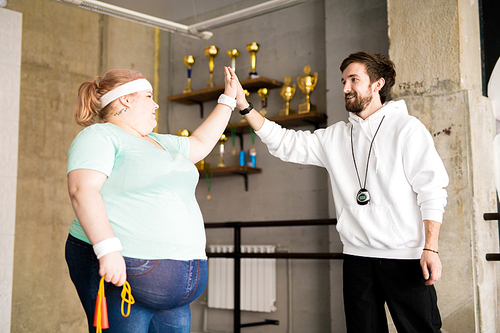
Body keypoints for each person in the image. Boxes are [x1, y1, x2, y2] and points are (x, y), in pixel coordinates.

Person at [234, 51, 448, 332]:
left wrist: (430, 247)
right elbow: (285, 142)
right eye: (343, 80)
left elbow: (431, 189)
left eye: (354, 79)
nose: (346, 88)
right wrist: (245, 107)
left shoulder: (407, 129)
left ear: (378, 84)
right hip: (357, 259)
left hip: (405, 257)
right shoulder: (335, 136)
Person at [65, 66, 240, 333]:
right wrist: (107, 250)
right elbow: (83, 190)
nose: (155, 103)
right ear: (125, 99)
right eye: (148, 96)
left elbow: (201, 144)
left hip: (177, 289)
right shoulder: (101, 135)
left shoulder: (161, 142)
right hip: (123, 274)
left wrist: (228, 99)